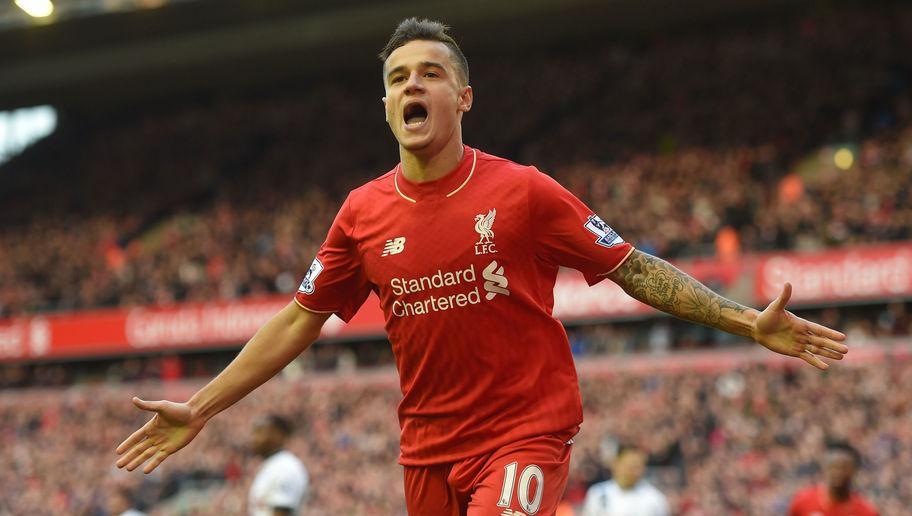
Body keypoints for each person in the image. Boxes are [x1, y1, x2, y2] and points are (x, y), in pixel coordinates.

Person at [115, 18, 849, 515]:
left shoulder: (523, 191)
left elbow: (633, 267)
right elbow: (298, 322)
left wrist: (742, 320)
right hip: (427, 451)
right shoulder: (361, 213)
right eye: (399, 77)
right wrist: (202, 407)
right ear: (385, 105)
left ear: (462, 97)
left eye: (429, 74)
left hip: (524, 432)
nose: (412, 86)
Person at [788, 441, 878, 516]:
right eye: (833, 467)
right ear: (824, 469)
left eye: (844, 467)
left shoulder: (866, 511)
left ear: (854, 472)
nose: (838, 472)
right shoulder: (803, 501)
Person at [580, 445, 670, 516]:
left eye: (637, 467)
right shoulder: (597, 493)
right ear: (616, 464)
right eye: (628, 466)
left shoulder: (655, 499)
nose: (632, 471)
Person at [248, 415, 309, 516]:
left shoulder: (285, 467)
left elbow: (282, 511)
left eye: (260, 432)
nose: (254, 438)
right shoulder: (271, 465)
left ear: (278, 435)